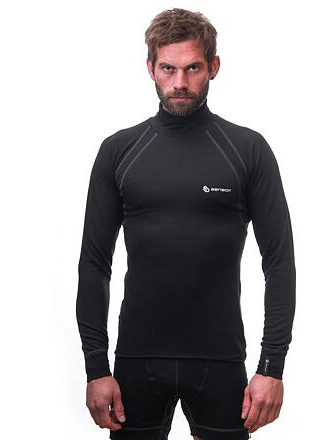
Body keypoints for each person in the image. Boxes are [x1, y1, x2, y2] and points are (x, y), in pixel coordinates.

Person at [76, 7, 296, 440]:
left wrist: (272, 366)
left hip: (221, 362)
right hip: (137, 361)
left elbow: (279, 263)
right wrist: (96, 368)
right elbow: (94, 264)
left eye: (193, 68)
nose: (179, 82)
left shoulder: (247, 150)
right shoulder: (119, 151)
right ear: (150, 68)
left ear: (213, 66)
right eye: (168, 68)